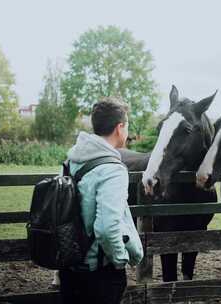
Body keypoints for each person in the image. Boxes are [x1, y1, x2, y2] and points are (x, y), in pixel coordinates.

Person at [59, 98, 143, 304]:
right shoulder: (113, 170)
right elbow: (107, 227)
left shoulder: (73, 159)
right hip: (99, 273)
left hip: (70, 266)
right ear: (119, 127)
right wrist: (120, 260)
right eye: (127, 126)